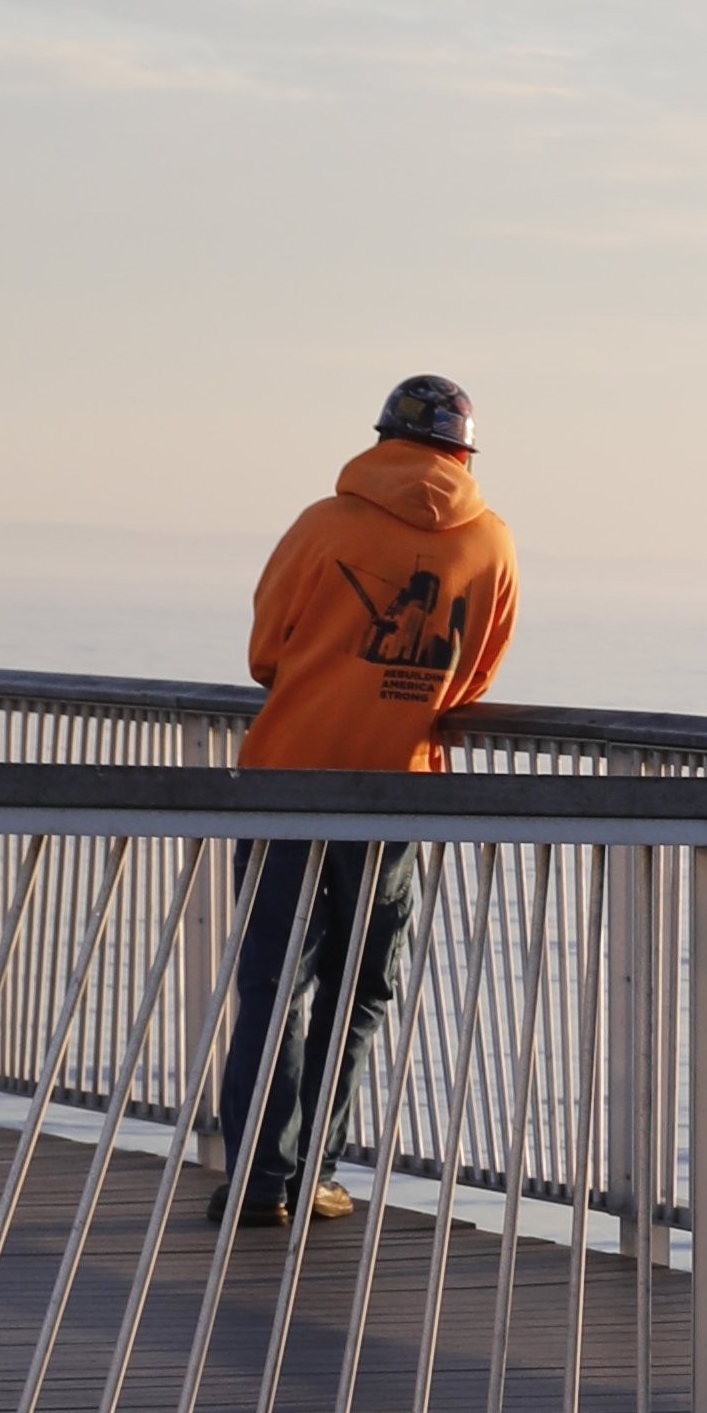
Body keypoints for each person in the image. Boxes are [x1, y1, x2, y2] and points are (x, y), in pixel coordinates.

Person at [219, 371, 522, 1226]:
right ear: (465, 452)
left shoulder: (325, 524)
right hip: (397, 791)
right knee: (361, 990)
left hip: (288, 778)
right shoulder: (492, 544)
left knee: (275, 981)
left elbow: (266, 649)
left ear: (383, 438)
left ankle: (257, 1181)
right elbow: (477, 674)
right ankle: (315, 1170)